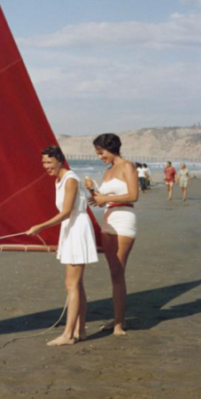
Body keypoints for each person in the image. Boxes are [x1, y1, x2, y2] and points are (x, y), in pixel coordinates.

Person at [27, 145, 98, 346]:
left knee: (71, 284)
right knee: (77, 283)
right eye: (43, 163)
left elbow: (67, 212)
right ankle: (80, 330)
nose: (45, 166)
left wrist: (40, 226)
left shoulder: (71, 179)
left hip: (77, 228)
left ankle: (68, 335)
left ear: (60, 160)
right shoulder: (59, 180)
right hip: (70, 229)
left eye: (49, 162)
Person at [84, 133, 138, 337]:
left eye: (101, 152)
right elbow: (101, 200)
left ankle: (118, 324)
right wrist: (92, 192)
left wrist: (104, 197)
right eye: (98, 153)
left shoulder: (127, 166)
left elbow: (134, 195)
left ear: (111, 148)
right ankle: (118, 320)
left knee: (118, 271)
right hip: (108, 220)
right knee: (113, 273)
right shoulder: (107, 172)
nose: (100, 157)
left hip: (124, 219)